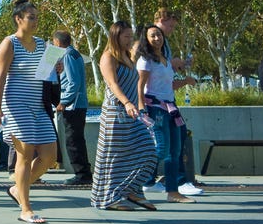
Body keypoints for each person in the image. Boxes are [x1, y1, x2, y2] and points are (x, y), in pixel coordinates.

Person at [0, 0, 58, 224]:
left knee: (49, 155)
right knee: (25, 153)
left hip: (38, 105)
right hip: (15, 105)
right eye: (31, 17)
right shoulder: (9, 43)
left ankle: (17, 188)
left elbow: (44, 74)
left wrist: (54, 67)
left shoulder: (42, 44)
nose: (36, 21)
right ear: (19, 19)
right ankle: (26, 209)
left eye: (37, 17)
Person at [90, 21, 157, 212]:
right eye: (126, 36)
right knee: (114, 158)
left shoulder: (128, 57)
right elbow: (112, 84)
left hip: (132, 114)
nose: (129, 40)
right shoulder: (108, 57)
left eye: (131, 36)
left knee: (148, 151)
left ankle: (131, 190)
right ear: (116, 37)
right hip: (116, 113)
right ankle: (109, 197)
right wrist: (127, 103)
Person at [135, 24, 196, 203]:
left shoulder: (165, 60)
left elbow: (169, 86)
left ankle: (173, 192)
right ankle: (134, 181)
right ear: (146, 39)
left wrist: (185, 81)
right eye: (152, 36)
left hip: (170, 108)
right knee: (161, 149)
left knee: (175, 150)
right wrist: (141, 108)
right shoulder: (145, 60)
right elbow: (140, 85)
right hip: (155, 108)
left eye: (159, 35)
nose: (157, 38)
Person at [146, 8, 204, 197]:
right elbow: (142, 81)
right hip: (156, 105)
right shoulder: (148, 51)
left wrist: (179, 68)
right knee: (164, 146)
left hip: (168, 102)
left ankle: (169, 184)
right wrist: (140, 107)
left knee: (175, 141)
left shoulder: (165, 48)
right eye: (169, 25)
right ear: (160, 20)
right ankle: (169, 179)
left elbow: (166, 78)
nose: (169, 31)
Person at [53, 30, 92, 185]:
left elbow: (73, 82)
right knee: (77, 140)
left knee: (73, 141)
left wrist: (64, 101)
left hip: (73, 106)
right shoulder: (75, 54)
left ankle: (82, 174)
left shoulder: (68, 56)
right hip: (78, 104)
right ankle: (84, 173)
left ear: (58, 42)